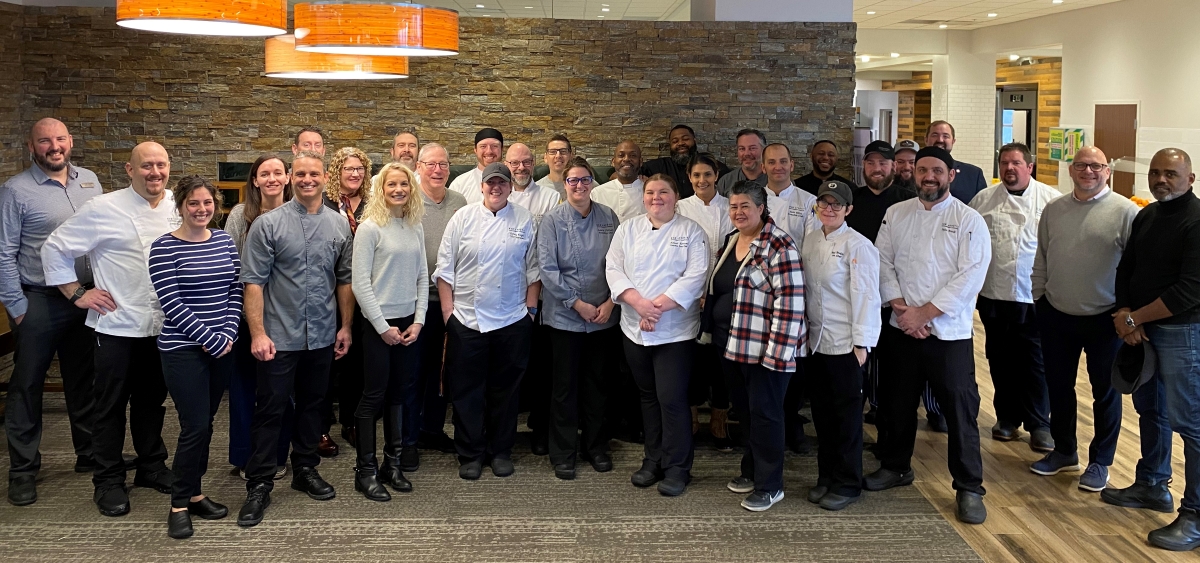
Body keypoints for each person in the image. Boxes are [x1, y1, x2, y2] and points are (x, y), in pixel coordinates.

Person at [42, 141, 180, 517]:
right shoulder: (103, 208)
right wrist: (77, 294)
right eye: (146, 165)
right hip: (117, 325)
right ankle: (108, 480)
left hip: (162, 325)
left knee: (152, 402)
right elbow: (54, 248)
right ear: (129, 169)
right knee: (110, 406)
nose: (155, 172)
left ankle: (151, 466)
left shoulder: (176, 204)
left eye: (161, 165)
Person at [867, 146, 991, 525]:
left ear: (951, 175)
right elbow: (881, 261)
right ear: (914, 174)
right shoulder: (896, 213)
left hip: (947, 332)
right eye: (923, 170)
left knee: (959, 409)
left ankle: (969, 486)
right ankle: (896, 466)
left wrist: (926, 313)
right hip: (902, 326)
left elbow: (970, 275)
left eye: (937, 170)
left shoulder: (969, 219)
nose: (929, 177)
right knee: (897, 403)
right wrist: (904, 310)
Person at [237, 151, 354, 527]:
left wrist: (345, 326)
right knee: (270, 410)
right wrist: (257, 334)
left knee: (313, 407)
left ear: (324, 178)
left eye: (314, 174)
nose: (307, 179)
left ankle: (305, 469)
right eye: (300, 173)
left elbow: (344, 279)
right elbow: (252, 282)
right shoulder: (268, 225)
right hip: (278, 336)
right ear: (290, 177)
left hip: (321, 334)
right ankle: (259, 483)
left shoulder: (339, 225)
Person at [1028, 146, 1149, 494]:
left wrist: (1128, 315)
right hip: (1056, 314)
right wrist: (1040, 298)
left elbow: (1135, 269)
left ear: (1107, 172)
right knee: (1058, 387)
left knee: (1105, 393)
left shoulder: (1126, 212)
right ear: (1071, 170)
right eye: (1081, 165)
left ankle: (1101, 461)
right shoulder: (1054, 210)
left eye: (1096, 166)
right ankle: (1064, 450)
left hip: (1105, 319)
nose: (1088, 171)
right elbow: (1042, 257)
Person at [0, 118, 101, 506]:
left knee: (84, 379)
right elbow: (3, 253)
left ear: (70, 142)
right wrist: (18, 308)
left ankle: (89, 453)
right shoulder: (14, 191)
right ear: (31, 146)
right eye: (45, 141)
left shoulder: (89, 180)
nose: (54, 146)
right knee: (27, 385)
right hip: (38, 299)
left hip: (85, 297)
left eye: (60, 139)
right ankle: (23, 470)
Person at [1109, 148, 1200, 551]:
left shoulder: (1196, 221)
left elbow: (1190, 290)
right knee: (1152, 409)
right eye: (1156, 172)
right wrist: (1125, 312)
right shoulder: (1146, 214)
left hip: (1182, 333)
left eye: (1171, 174)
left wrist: (1136, 318)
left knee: (1191, 424)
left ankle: (1195, 515)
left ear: (1190, 179)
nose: (1161, 180)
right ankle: (1151, 484)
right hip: (1142, 332)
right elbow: (1126, 268)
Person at [148, 175, 242, 539]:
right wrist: (207, 338)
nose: (201, 210)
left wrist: (228, 333)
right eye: (193, 204)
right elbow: (170, 302)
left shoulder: (223, 240)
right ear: (181, 206)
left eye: (207, 204)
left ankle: (196, 492)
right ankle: (178, 504)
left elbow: (235, 289)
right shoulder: (164, 248)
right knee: (194, 426)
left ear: (215, 206)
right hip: (183, 350)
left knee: (207, 424)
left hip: (222, 347)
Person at [703, 180, 805, 511]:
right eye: (733, 206)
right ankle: (752, 470)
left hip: (765, 352)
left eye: (745, 206)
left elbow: (790, 306)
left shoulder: (780, 246)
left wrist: (776, 356)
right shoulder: (733, 240)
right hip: (730, 346)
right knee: (746, 413)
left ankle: (770, 484)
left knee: (766, 415)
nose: (738, 212)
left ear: (761, 208)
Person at [434, 162, 540, 480]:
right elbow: (444, 269)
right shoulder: (462, 218)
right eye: (490, 183)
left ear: (510, 187)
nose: (496, 188)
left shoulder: (524, 220)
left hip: (512, 319)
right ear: (482, 186)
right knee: (468, 391)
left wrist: (531, 312)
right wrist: (448, 315)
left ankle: (501, 450)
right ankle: (471, 452)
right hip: (467, 319)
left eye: (502, 183)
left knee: (505, 391)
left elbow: (534, 269)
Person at [606, 174, 709, 497]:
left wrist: (658, 308)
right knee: (647, 397)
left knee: (672, 399)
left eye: (663, 192)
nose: (656, 197)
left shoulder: (691, 231)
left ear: (676, 196)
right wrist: (639, 304)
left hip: (674, 331)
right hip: (634, 327)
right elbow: (613, 268)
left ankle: (678, 467)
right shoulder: (629, 229)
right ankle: (653, 459)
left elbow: (696, 275)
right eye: (650, 192)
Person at [968, 143, 1058, 451]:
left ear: (1029, 167)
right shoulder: (983, 200)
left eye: (1016, 163)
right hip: (995, 294)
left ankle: (1039, 424)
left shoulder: (1051, 200)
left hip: (1034, 296)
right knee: (1000, 360)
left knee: (1036, 362)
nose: (1010, 168)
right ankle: (1006, 418)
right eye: (1005, 163)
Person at [537, 157, 620, 480]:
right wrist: (576, 303)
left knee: (597, 386)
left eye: (585, 180)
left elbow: (620, 262)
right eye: (573, 180)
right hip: (565, 318)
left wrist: (611, 303)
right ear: (564, 184)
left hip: (603, 316)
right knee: (564, 387)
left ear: (592, 182)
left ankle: (596, 447)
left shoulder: (608, 217)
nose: (580, 186)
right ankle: (563, 452)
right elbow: (547, 269)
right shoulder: (552, 220)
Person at [350, 162, 428, 501]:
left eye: (404, 184)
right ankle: (364, 472)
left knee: (399, 395)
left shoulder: (415, 226)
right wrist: (382, 328)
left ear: (411, 189)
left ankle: (391, 465)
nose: (398, 190)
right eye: (391, 184)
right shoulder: (370, 228)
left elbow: (423, 277)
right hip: (378, 326)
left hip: (409, 324)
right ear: (381, 190)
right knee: (372, 398)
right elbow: (359, 284)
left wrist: (419, 320)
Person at [801, 181, 880, 511]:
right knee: (822, 415)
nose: (829, 208)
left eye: (837, 204)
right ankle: (826, 476)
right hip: (815, 344)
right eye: (824, 202)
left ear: (848, 209)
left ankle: (848, 482)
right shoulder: (809, 240)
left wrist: (862, 344)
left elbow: (866, 296)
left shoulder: (858, 245)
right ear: (817, 206)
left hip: (846, 345)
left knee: (846, 419)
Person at [223, 155, 294, 481]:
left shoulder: (297, 213)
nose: (271, 179)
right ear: (254, 180)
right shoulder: (241, 215)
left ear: (288, 177)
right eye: (264, 174)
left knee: (280, 393)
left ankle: (278, 455)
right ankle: (244, 456)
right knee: (244, 390)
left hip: (286, 318)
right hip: (246, 315)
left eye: (277, 173)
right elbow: (230, 266)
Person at [409, 143, 466, 467]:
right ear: (419, 166)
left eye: (443, 164)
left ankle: (432, 428)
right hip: (417, 303)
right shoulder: (409, 201)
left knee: (441, 372)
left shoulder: (459, 202)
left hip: (452, 301)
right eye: (431, 164)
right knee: (414, 371)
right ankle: (410, 435)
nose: (438, 170)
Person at [760, 142, 817, 451]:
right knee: (763, 359)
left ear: (792, 165)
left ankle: (792, 421)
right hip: (759, 292)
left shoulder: (809, 202)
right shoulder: (754, 199)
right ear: (763, 166)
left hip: (794, 290)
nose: (778, 166)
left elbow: (811, 247)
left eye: (783, 161)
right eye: (772, 162)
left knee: (793, 359)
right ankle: (769, 425)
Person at [677, 153, 734, 451]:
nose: (702, 181)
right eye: (696, 175)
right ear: (689, 177)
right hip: (690, 294)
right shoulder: (680, 208)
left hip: (725, 293)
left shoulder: (730, 206)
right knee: (692, 359)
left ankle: (719, 419)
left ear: (717, 175)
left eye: (708, 175)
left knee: (721, 359)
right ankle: (691, 418)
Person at [508, 142, 561, 457]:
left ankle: (541, 429)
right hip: (507, 295)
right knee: (511, 365)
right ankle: (506, 428)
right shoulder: (497, 194)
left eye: (526, 162)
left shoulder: (550, 197)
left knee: (543, 368)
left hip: (542, 292)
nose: (521, 168)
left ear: (534, 164)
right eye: (515, 163)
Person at [319, 146, 372, 458]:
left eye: (360, 169)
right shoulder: (324, 204)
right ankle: (321, 425)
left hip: (363, 292)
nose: (355, 174)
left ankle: (352, 421)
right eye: (348, 168)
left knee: (356, 363)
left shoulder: (371, 204)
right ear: (336, 172)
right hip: (328, 292)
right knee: (326, 363)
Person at [641, 125, 728, 199]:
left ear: (694, 140)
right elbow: (633, 173)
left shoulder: (716, 167)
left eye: (685, 139)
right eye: (675, 141)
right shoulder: (658, 167)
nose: (680, 143)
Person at [925, 121, 987, 203]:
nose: (940, 140)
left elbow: (983, 208)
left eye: (945, 136)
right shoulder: (913, 172)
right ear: (926, 140)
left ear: (953, 141)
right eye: (935, 135)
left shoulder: (974, 175)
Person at [593, 140, 647, 223]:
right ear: (613, 162)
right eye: (621, 155)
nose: (626, 159)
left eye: (633, 155)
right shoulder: (598, 193)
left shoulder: (651, 193)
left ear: (640, 162)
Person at [449, 128, 504, 205]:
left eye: (494, 146)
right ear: (475, 150)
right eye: (483, 146)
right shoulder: (459, 183)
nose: (489, 151)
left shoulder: (513, 182)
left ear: (502, 149)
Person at [715, 129, 767, 197]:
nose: (746, 154)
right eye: (742, 149)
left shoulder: (774, 179)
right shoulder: (726, 182)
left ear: (764, 150)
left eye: (752, 148)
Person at [535, 133, 572, 200]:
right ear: (545, 157)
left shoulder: (585, 184)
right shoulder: (537, 189)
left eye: (563, 151)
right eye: (553, 152)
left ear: (571, 156)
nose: (558, 156)